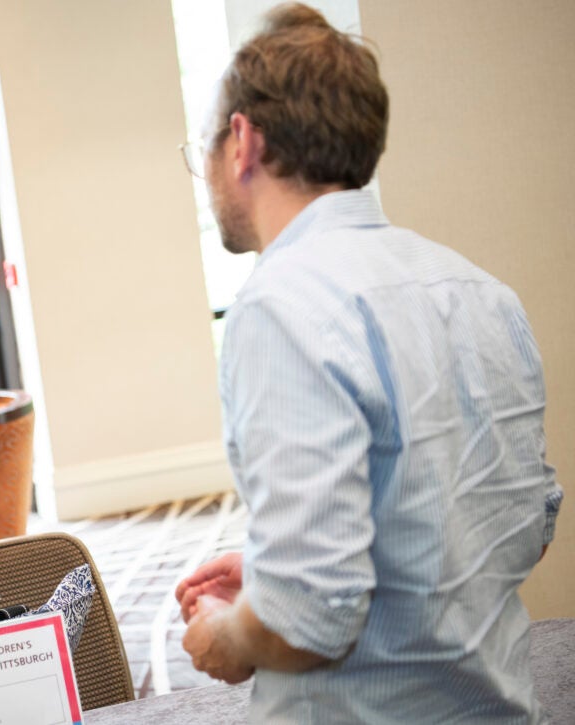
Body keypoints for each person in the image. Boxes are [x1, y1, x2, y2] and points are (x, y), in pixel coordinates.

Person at [174, 3, 563, 722]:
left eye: (197, 151)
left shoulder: (277, 307)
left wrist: (234, 632)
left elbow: (311, 618)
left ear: (242, 142)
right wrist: (269, 573)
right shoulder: (483, 291)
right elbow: (517, 527)